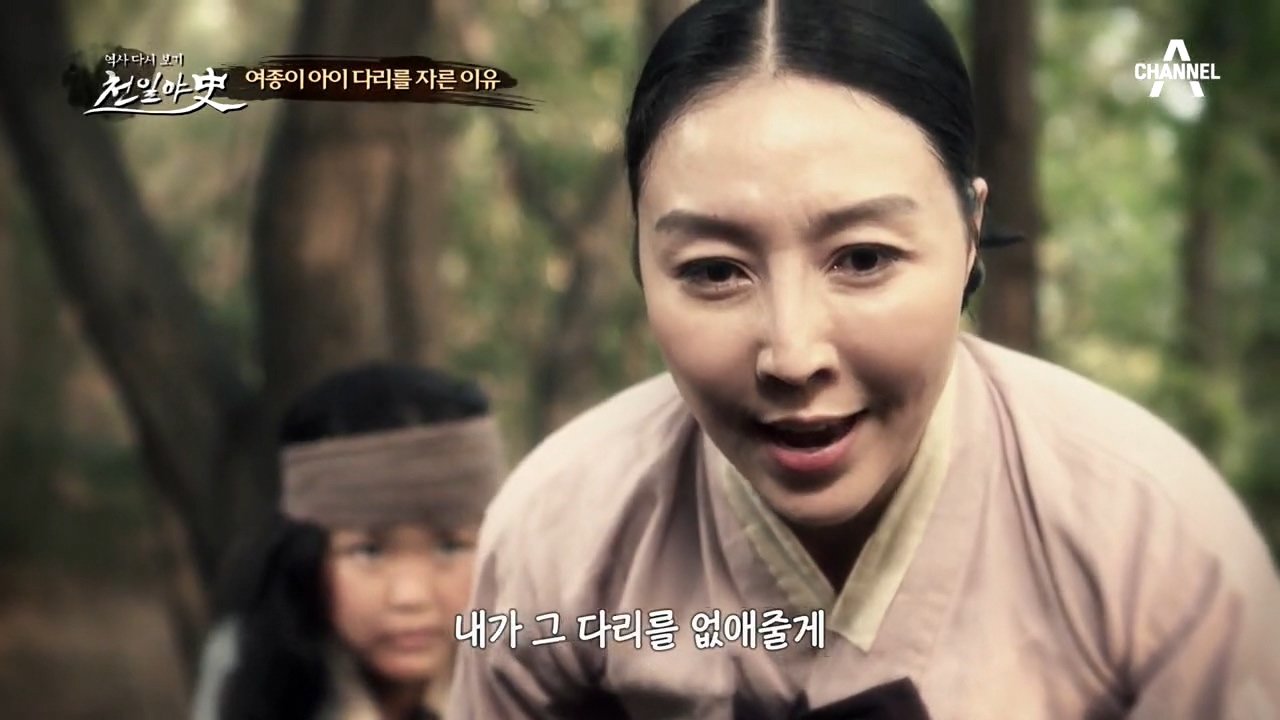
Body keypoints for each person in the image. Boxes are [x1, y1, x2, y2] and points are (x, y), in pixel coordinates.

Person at [446, 1, 1280, 718]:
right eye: (714, 271)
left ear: (969, 233)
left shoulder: (1160, 544)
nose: (792, 354)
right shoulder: (559, 537)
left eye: (864, 258)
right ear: (640, 260)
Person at [190, 363, 505, 720]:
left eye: (449, 547)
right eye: (369, 552)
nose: (410, 596)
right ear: (305, 558)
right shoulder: (249, 668)